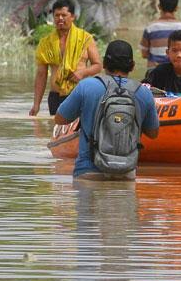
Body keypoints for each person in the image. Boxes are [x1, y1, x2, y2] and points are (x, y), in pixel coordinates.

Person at [55, 40, 159, 180]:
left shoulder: (86, 86)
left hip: (88, 171)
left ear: (104, 63)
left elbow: (60, 119)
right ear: (132, 66)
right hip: (126, 172)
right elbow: (153, 133)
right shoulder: (143, 93)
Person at [30, 0, 102, 116]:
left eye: (64, 15)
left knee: (76, 131)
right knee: (56, 131)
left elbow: (98, 66)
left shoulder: (85, 38)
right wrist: (36, 104)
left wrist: (82, 73)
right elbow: (41, 75)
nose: (60, 19)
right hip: (55, 96)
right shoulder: (45, 43)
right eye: (57, 15)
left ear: (73, 16)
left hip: (79, 94)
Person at [142, 30, 181, 94]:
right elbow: (143, 89)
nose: (179, 55)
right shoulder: (160, 71)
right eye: (174, 50)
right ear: (167, 53)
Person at [140, 0, 181, 67]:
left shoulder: (150, 28)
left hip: (155, 71)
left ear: (159, 6)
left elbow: (144, 54)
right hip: (175, 71)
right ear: (176, 8)